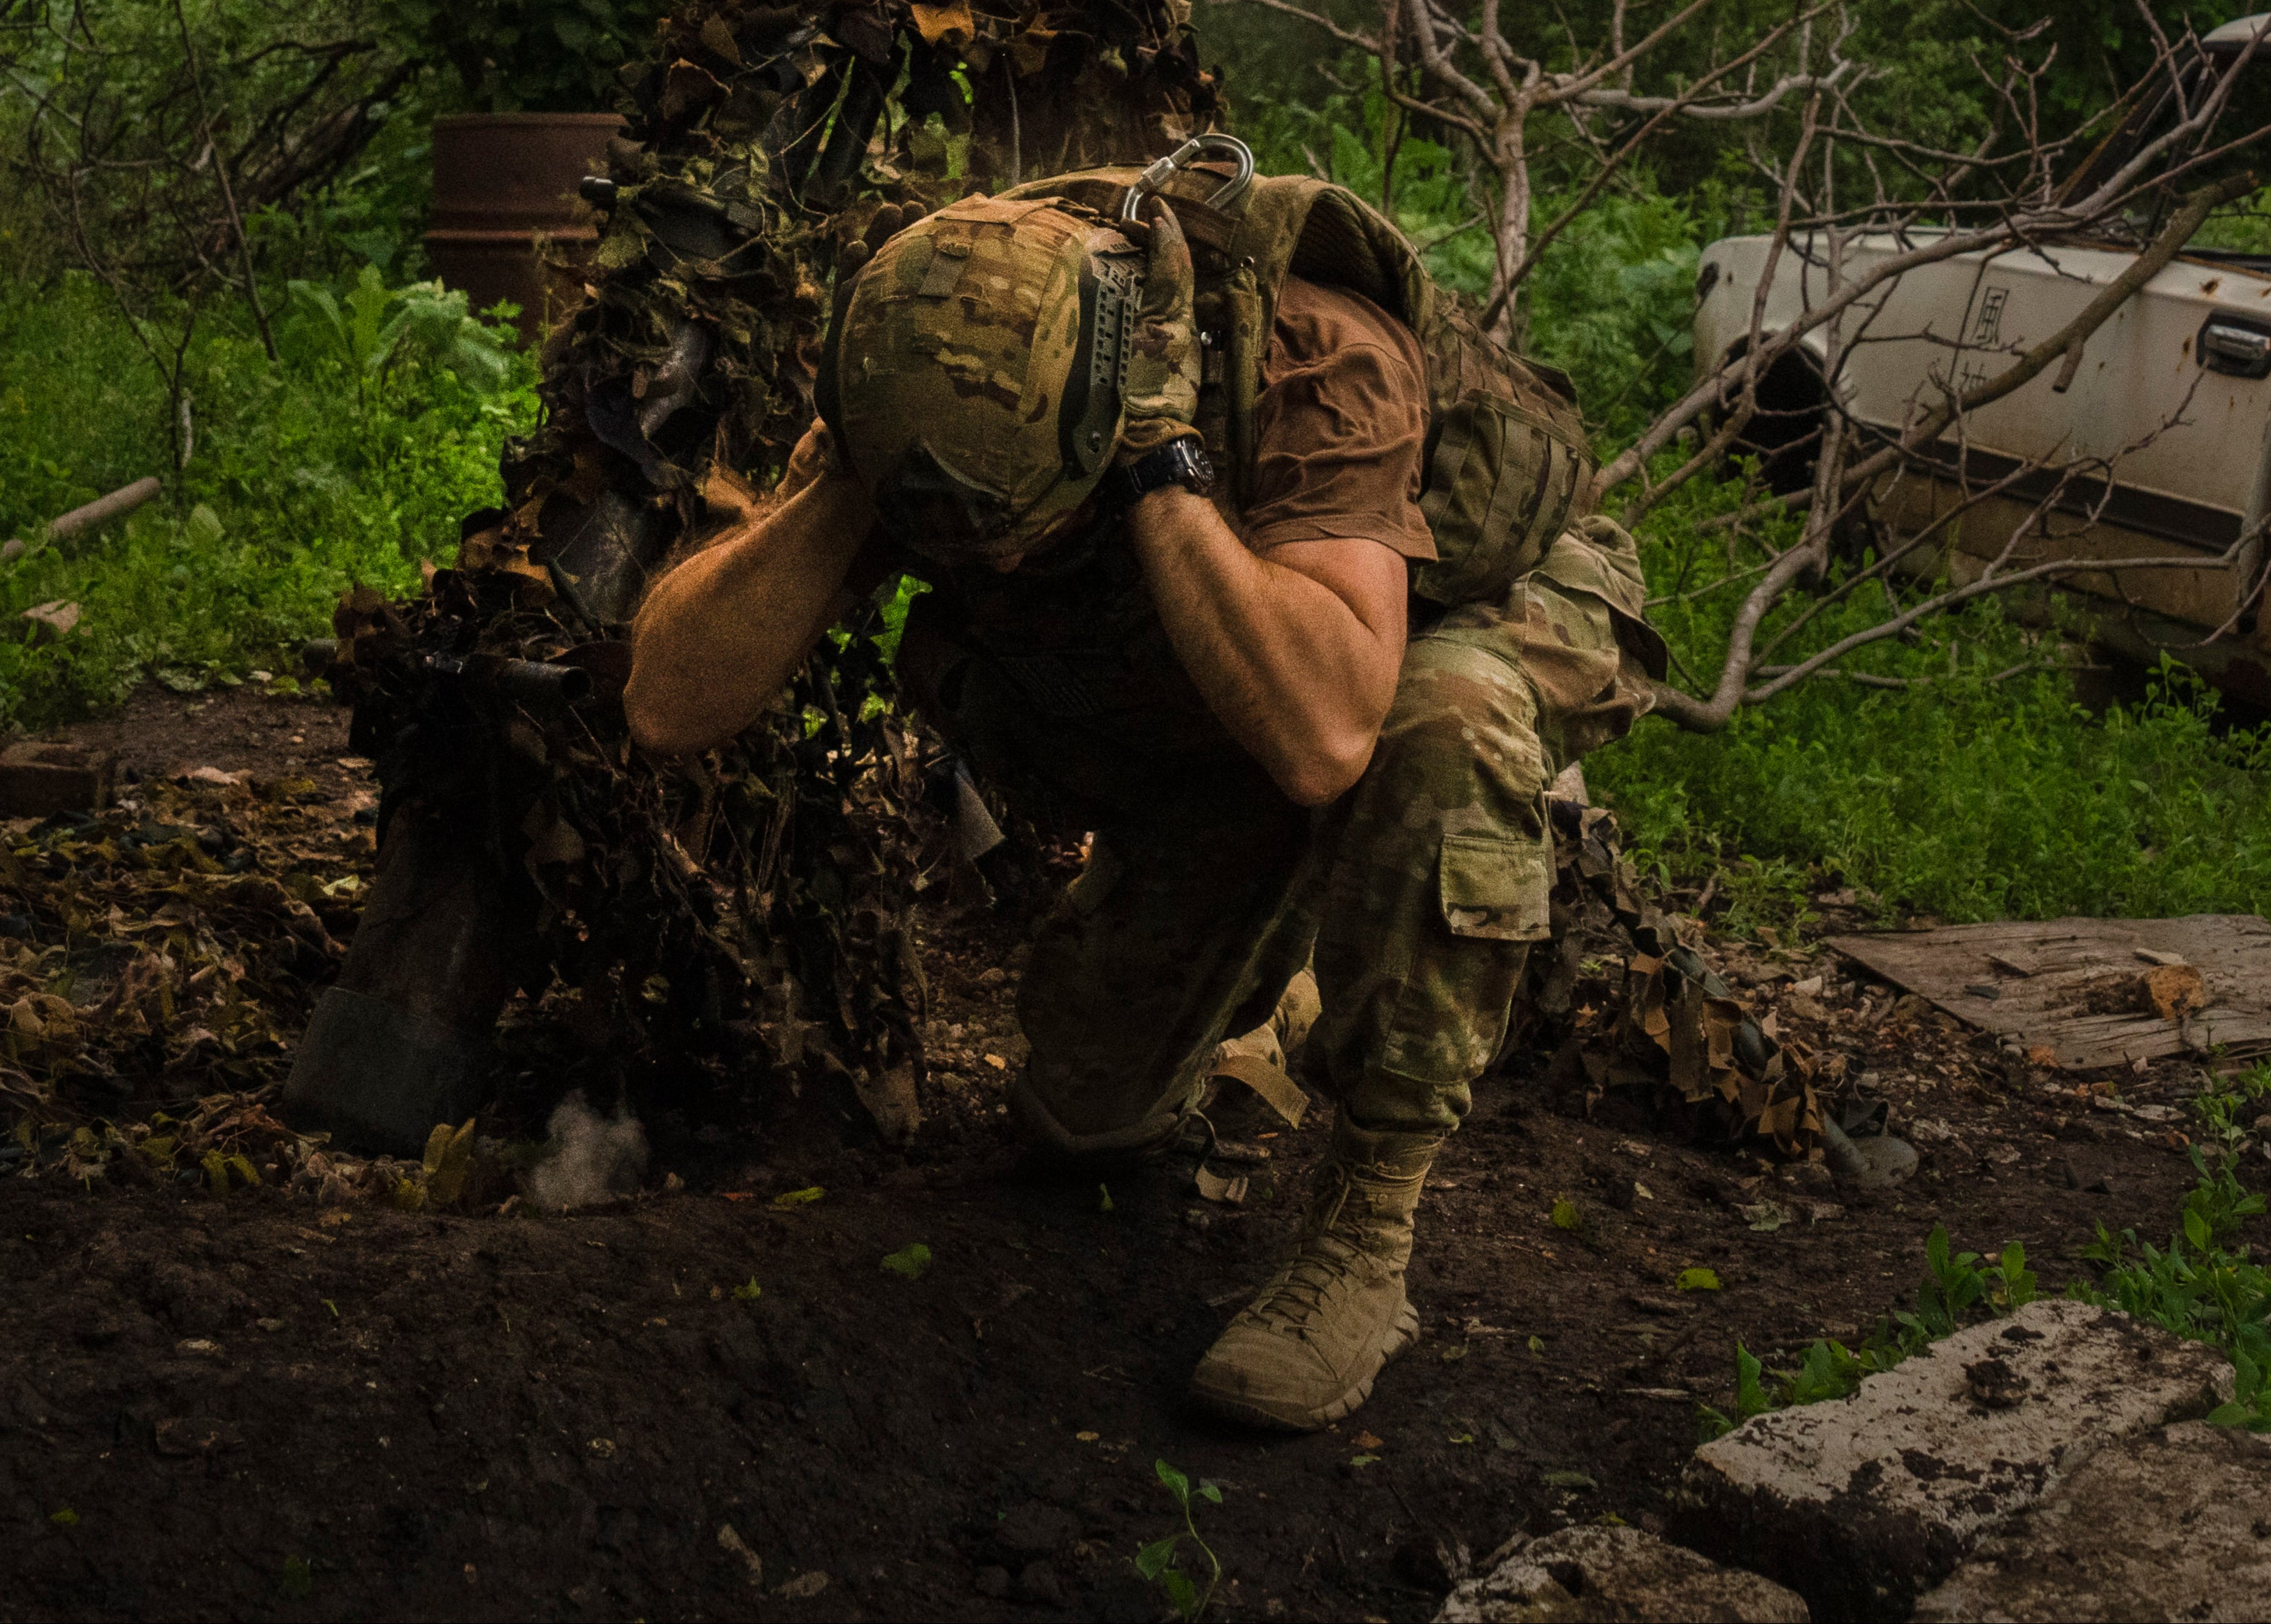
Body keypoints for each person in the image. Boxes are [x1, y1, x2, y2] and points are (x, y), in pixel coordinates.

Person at [621, 182, 1652, 1430]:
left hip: (1456, 602)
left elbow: (1330, 732)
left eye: (1019, 531)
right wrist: (846, 490)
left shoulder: (1315, 362)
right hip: (1253, 637)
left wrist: (1163, 466)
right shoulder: (932, 361)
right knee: (1084, 1119)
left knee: (1434, 726)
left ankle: (1367, 1226)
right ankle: (1276, 950)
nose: (990, 564)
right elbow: (669, 703)